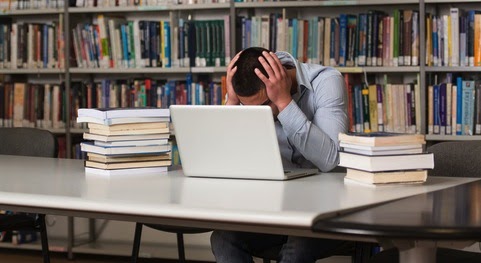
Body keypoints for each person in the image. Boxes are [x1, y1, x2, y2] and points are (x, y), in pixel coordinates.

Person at [210, 46, 349, 263]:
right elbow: (223, 161)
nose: (261, 115)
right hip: (275, 210)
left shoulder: (326, 81)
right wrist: (232, 104)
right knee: (223, 239)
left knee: (298, 246)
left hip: (324, 212)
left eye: (265, 105)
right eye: (251, 109)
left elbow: (330, 160)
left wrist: (285, 103)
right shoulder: (250, 98)